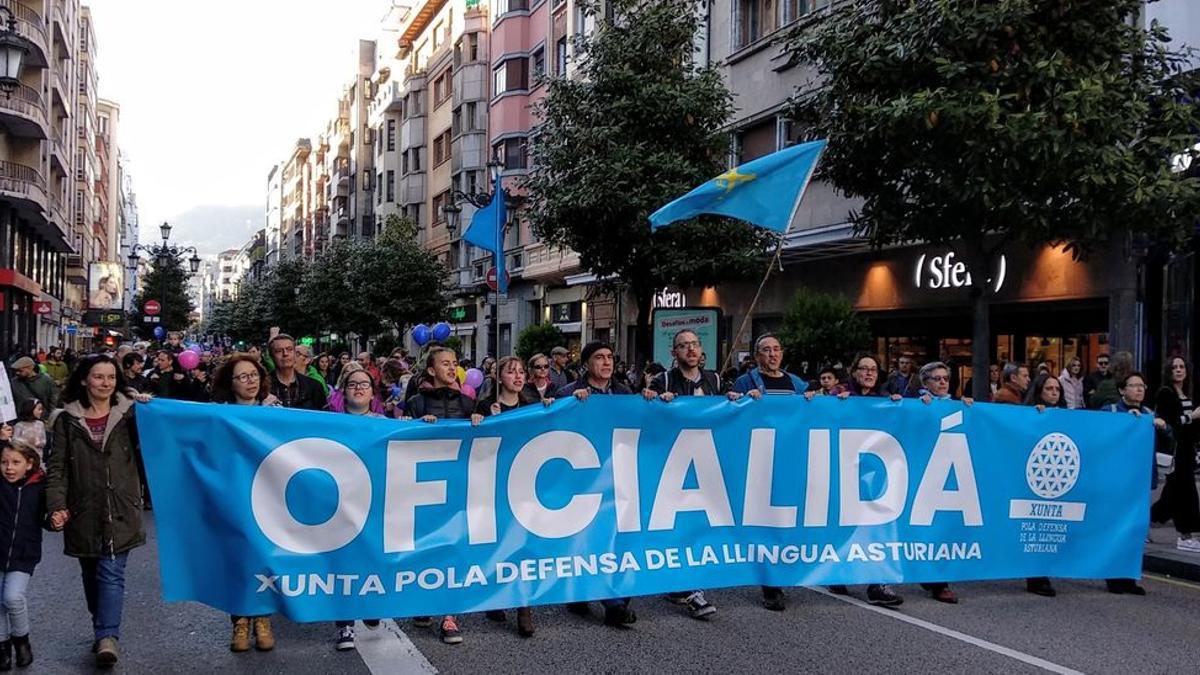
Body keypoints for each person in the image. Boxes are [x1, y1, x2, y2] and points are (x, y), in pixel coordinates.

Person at [46, 355, 147, 666]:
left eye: (111, 378)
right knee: (91, 576)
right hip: (84, 510)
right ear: (84, 380)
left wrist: (148, 406)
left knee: (111, 574)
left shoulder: (131, 415)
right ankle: (100, 625)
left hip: (121, 508)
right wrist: (56, 505)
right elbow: (58, 466)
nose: (105, 383)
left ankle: (107, 636)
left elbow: (168, 435)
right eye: (99, 377)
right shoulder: (67, 420)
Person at [643, 329, 738, 620]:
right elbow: (643, 413)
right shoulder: (664, 380)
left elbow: (731, 409)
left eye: (694, 344)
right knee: (677, 524)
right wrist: (652, 398)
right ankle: (688, 588)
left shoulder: (716, 380)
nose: (690, 350)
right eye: (683, 346)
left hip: (707, 463)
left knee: (699, 523)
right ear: (674, 353)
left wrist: (736, 398)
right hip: (673, 463)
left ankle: (684, 584)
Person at [556, 342, 638, 627]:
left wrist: (652, 400)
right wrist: (568, 406)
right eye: (599, 358)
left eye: (610, 358)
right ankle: (610, 601)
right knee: (590, 538)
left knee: (617, 538)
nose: (606, 362)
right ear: (586, 364)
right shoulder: (569, 393)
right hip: (583, 478)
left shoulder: (625, 393)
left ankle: (612, 598)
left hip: (617, 475)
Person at [730, 334, 808, 611]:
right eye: (766, 350)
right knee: (763, 523)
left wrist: (814, 400)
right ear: (757, 356)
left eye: (776, 349)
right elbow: (733, 412)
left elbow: (810, 417)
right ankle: (770, 586)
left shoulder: (796, 383)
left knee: (786, 520)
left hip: (789, 460)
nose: (773, 355)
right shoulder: (746, 382)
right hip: (759, 461)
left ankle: (781, 572)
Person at [471, 356, 548, 637]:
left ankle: (524, 607)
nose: (517, 376)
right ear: (498, 377)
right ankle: (497, 597)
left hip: (524, 485)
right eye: (510, 371)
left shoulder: (531, 406)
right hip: (494, 485)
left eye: (520, 372)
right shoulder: (484, 406)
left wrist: (550, 410)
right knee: (499, 544)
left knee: (523, 545)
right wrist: (480, 420)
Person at [209, 355, 278, 653]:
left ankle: (262, 618)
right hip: (233, 495)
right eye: (242, 377)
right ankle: (239, 621)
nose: (250, 382)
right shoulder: (219, 415)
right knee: (237, 558)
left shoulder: (275, 411)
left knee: (264, 556)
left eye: (254, 375)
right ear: (230, 383)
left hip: (268, 495)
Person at [403, 347, 472, 644]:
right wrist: (415, 426)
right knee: (426, 548)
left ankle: (449, 615)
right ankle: (424, 602)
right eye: (445, 363)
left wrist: (482, 419)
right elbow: (402, 440)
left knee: (453, 548)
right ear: (431, 370)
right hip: (424, 487)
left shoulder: (469, 403)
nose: (451, 367)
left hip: (458, 486)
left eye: (454, 364)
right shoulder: (416, 403)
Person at [830, 354, 905, 607]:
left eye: (874, 369)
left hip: (874, 474)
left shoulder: (883, 399)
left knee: (877, 524)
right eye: (864, 369)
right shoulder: (841, 395)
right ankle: (837, 570)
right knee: (845, 524)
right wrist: (833, 404)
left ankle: (877, 583)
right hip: (844, 468)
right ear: (854, 372)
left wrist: (903, 405)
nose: (869, 373)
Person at [1100, 372, 1169, 595]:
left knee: (1135, 529)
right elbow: (1098, 434)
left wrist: (1162, 426)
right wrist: (1124, 422)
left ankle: (1128, 576)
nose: (1139, 390)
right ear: (1122, 390)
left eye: (1142, 386)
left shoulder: (1148, 414)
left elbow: (1170, 437)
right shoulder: (1110, 411)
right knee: (1114, 528)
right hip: (1115, 481)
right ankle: (1113, 575)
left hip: (1139, 480)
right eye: (1134, 386)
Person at [915, 361, 973, 604]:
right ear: (925, 383)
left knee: (942, 528)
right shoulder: (917, 403)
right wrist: (919, 408)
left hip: (948, 476)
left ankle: (939, 581)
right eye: (936, 378)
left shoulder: (954, 405)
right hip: (921, 473)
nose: (941, 382)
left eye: (945, 378)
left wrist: (970, 409)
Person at [0, 442, 46, 669]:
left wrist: (57, 519)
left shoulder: (39, 487)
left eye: (15, 462)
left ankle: (22, 641)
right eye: (4, 462)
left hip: (24, 554)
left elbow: (47, 516)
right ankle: (2, 648)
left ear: (29, 464)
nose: (9, 468)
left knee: (12, 597)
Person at [1151, 357, 1200, 553]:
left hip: (1187, 450)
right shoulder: (1166, 392)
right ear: (1168, 372)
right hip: (1175, 451)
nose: (1178, 370)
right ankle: (1185, 536)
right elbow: (1168, 421)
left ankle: (1143, 522)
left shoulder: (1187, 392)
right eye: (1174, 368)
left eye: (1181, 367)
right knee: (1185, 492)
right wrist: (1192, 416)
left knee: (1171, 495)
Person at [267, 335, 327, 411]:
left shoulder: (314, 386)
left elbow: (324, 418)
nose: (285, 353)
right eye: (279, 351)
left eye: (289, 349)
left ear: (295, 354)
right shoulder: (262, 386)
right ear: (271, 356)